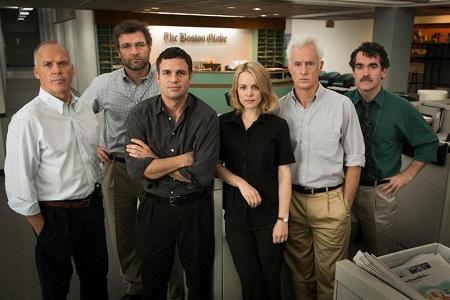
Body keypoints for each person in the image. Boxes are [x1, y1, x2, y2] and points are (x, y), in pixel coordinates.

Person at [80, 20, 184, 300]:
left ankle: (174, 291)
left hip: (158, 168)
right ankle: (136, 285)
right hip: (119, 169)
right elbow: (75, 115)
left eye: (139, 44)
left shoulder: (165, 78)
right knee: (123, 235)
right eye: (127, 46)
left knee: (166, 233)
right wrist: (92, 144)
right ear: (118, 52)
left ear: (149, 47)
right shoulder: (104, 84)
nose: (134, 51)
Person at [4, 41, 108, 300]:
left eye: (62, 63)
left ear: (72, 69)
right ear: (36, 72)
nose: (57, 71)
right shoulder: (28, 119)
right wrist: (43, 228)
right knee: (55, 289)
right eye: (48, 65)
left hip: (91, 209)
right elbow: (19, 182)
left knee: (97, 281)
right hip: (54, 216)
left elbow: (86, 151)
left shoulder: (84, 108)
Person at [125, 47, 219, 300]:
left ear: (191, 77)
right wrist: (184, 158)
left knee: (200, 283)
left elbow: (202, 174)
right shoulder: (140, 114)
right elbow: (136, 170)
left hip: (195, 210)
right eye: (166, 72)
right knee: (153, 283)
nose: (173, 79)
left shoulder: (207, 117)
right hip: (154, 209)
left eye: (180, 72)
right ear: (157, 77)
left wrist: (154, 160)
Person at [276, 34, 365, 300]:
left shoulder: (342, 105)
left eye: (310, 64)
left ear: (321, 65)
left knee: (331, 277)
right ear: (289, 67)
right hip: (292, 201)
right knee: (300, 276)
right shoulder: (278, 110)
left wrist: (345, 205)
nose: (303, 70)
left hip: (330, 201)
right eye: (298, 64)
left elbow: (355, 158)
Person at [346, 42, 439, 256]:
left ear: (384, 71)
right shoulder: (343, 103)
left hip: (379, 193)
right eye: (360, 66)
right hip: (343, 188)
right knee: (341, 253)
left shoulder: (401, 108)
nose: (366, 73)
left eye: (373, 66)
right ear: (353, 71)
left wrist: (405, 176)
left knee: (380, 255)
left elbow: (429, 142)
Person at [215, 62, 294, 300]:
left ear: (264, 90)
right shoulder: (223, 124)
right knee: (249, 283)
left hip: (270, 218)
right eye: (243, 87)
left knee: (271, 282)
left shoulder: (278, 126)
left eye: (255, 87)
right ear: (235, 91)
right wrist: (239, 182)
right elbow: (215, 166)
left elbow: (284, 174)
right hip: (237, 218)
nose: (248, 93)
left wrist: (283, 219)